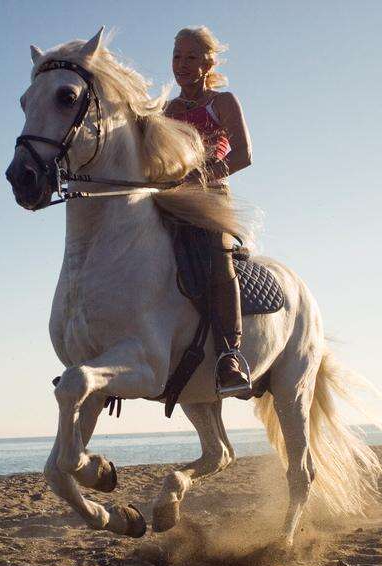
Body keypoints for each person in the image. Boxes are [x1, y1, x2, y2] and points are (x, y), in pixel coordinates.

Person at [164, 26, 253, 397]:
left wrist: (198, 178)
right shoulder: (168, 110)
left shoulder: (223, 102)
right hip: (173, 195)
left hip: (213, 195)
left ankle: (230, 357)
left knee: (219, 258)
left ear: (207, 63)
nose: (181, 65)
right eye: (177, 57)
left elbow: (243, 156)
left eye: (191, 58)